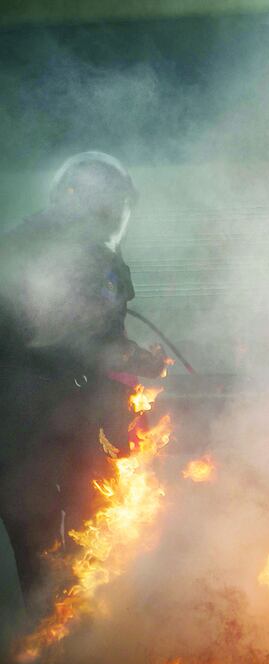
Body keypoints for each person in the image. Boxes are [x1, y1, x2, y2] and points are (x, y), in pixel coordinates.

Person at [0, 151, 166, 617]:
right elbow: (70, 336)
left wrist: (130, 360)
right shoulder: (65, 253)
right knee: (63, 549)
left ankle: (56, 635)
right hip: (37, 428)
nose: (118, 219)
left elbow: (98, 336)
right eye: (115, 207)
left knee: (57, 552)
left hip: (44, 431)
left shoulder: (31, 244)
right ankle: (59, 641)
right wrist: (131, 360)